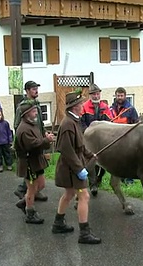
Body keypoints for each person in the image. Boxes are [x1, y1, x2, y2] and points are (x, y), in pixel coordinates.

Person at [52, 91, 101, 244]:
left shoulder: (74, 122)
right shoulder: (68, 124)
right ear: (74, 107)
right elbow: (67, 150)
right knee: (84, 196)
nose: (82, 106)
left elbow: (79, 146)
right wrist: (79, 169)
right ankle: (84, 234)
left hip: (72, 166)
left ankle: (58, 224)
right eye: (80, 104)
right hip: (71, 168)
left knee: (68, 194)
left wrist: (89, 154)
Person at [14, 102, 54, 224]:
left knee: (41, 185)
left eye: (35, 110)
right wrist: (46, 141)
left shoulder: (32, 124)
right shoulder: (24, 129)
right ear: (26, 114)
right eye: (33, 111)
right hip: (29, 163)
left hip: (36, 161)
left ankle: (24, 201)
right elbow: (33, 145)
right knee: (32, 189)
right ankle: (30, 213)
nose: (36, 112)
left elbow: (38, 137)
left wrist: (45, 135)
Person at [13, 80, 49, 203]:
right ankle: (24, 191)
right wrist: (24, 139)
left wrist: (43, 133)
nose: (36, 91)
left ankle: (34, 192)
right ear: (27, 91)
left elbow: (40, 122)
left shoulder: (36, 104)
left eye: (37, 88)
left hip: (38, 138)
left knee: (37, 167)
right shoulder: (23, 107)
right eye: (33, 89)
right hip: (29, 142)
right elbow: (17, 124)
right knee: (31, 168)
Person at [79, 83, 113, 195]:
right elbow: (81, 123)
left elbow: (110, 123)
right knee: (91, 161)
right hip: (89, 139)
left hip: (102, 140)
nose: (96, 96)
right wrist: (87, 133)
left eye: (98, 94)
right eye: (93, 94)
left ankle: (99, 178)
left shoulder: (105, 107)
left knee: (104, 162)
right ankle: (93, 184)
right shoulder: (84, 107)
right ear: (90, 95)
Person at [110, 87, 139, 185]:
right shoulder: (111, 109)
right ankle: (119, 178)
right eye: (118, 95)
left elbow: (136, 124)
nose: (120, 97)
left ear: (125, 96)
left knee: (128, 160)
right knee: (116, 160)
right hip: (114, 138)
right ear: (115, 96)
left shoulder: (130, 110)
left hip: (127, 139)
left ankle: (129, 179)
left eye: (121, 96)